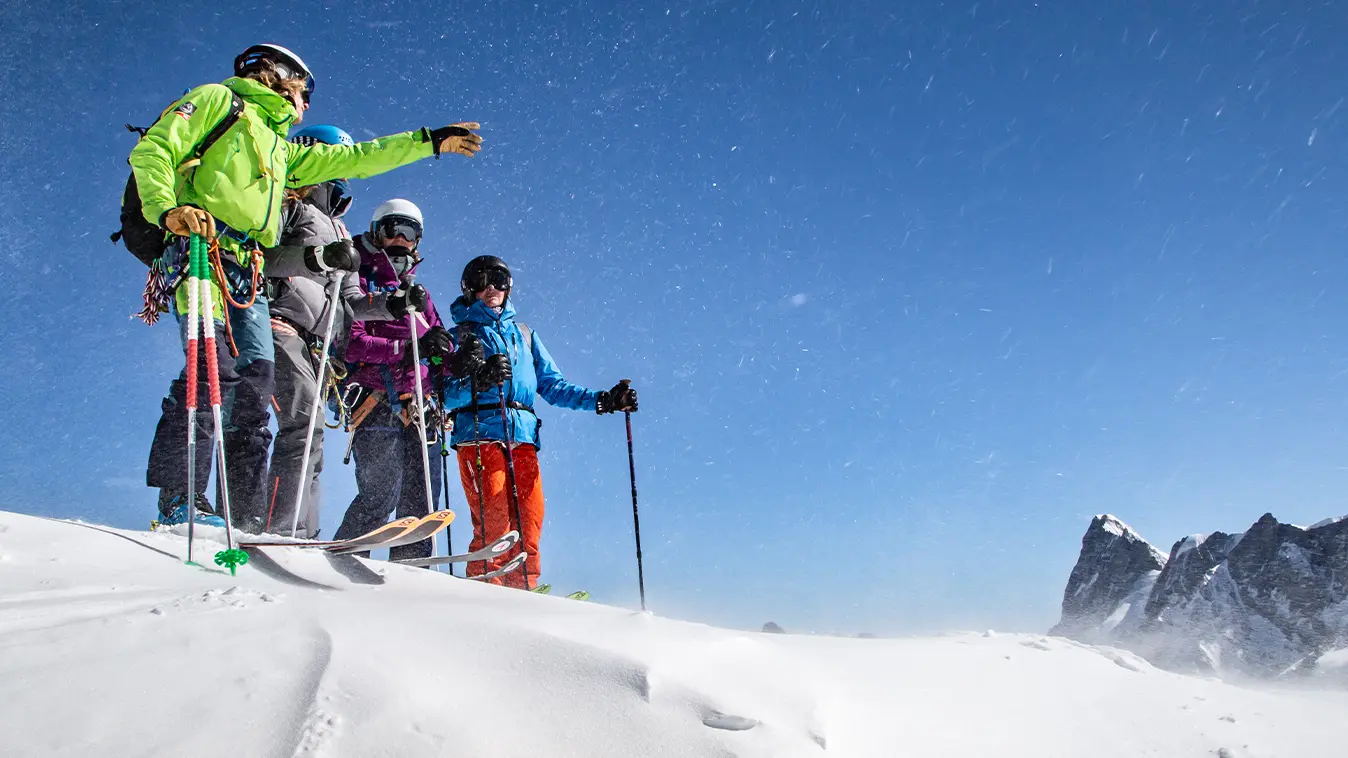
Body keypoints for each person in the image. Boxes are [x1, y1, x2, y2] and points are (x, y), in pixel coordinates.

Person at [133, 43, 483, 527]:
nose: (305, 101)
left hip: (247, 268)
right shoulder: (218, 100)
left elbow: (360, 156)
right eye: (304, 88)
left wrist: (427, 142)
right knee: (211, 371)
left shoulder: (282, 151)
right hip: (202, 248)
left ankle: (246, 516)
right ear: (279, 74)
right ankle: (180, 500)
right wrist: (165, 208)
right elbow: (154, 148)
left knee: (254, 383)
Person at [251, 125, 410, 538]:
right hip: (283, 324)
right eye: (335, 159)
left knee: (312, 438)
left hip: (319, 346)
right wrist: (317, 259)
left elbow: (352, 303)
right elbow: (261, 260)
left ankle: (303, 531)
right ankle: (277, 528)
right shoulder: (288, 205)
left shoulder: (340, 228)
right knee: (301, 427)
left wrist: (389, 305)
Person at [443, 256, 637, 589]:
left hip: (523, 439)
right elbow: (443, 395)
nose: (492, 287)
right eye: (482, 280)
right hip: (479, 435)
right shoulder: (458, 336)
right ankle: (485, 592)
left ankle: (524, 593)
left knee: (529, 522)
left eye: (500, 279)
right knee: (495, 524)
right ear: (469, 288)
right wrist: (479, 382)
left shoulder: (525, 335)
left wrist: (603, 400)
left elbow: (553, 385)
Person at [335, 199, 455, 560]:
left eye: (410, 232)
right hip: (375, 401)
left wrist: (455, 358)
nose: (401, 239)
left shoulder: (421, 294)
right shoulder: (360, 279)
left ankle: (412, 576)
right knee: (380, 492)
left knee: (420, 504)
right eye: (393, 229)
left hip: (421, 408)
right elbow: (351, 343)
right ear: (377, 233)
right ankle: (345, 557)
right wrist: (406, 347)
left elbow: (437, 348)